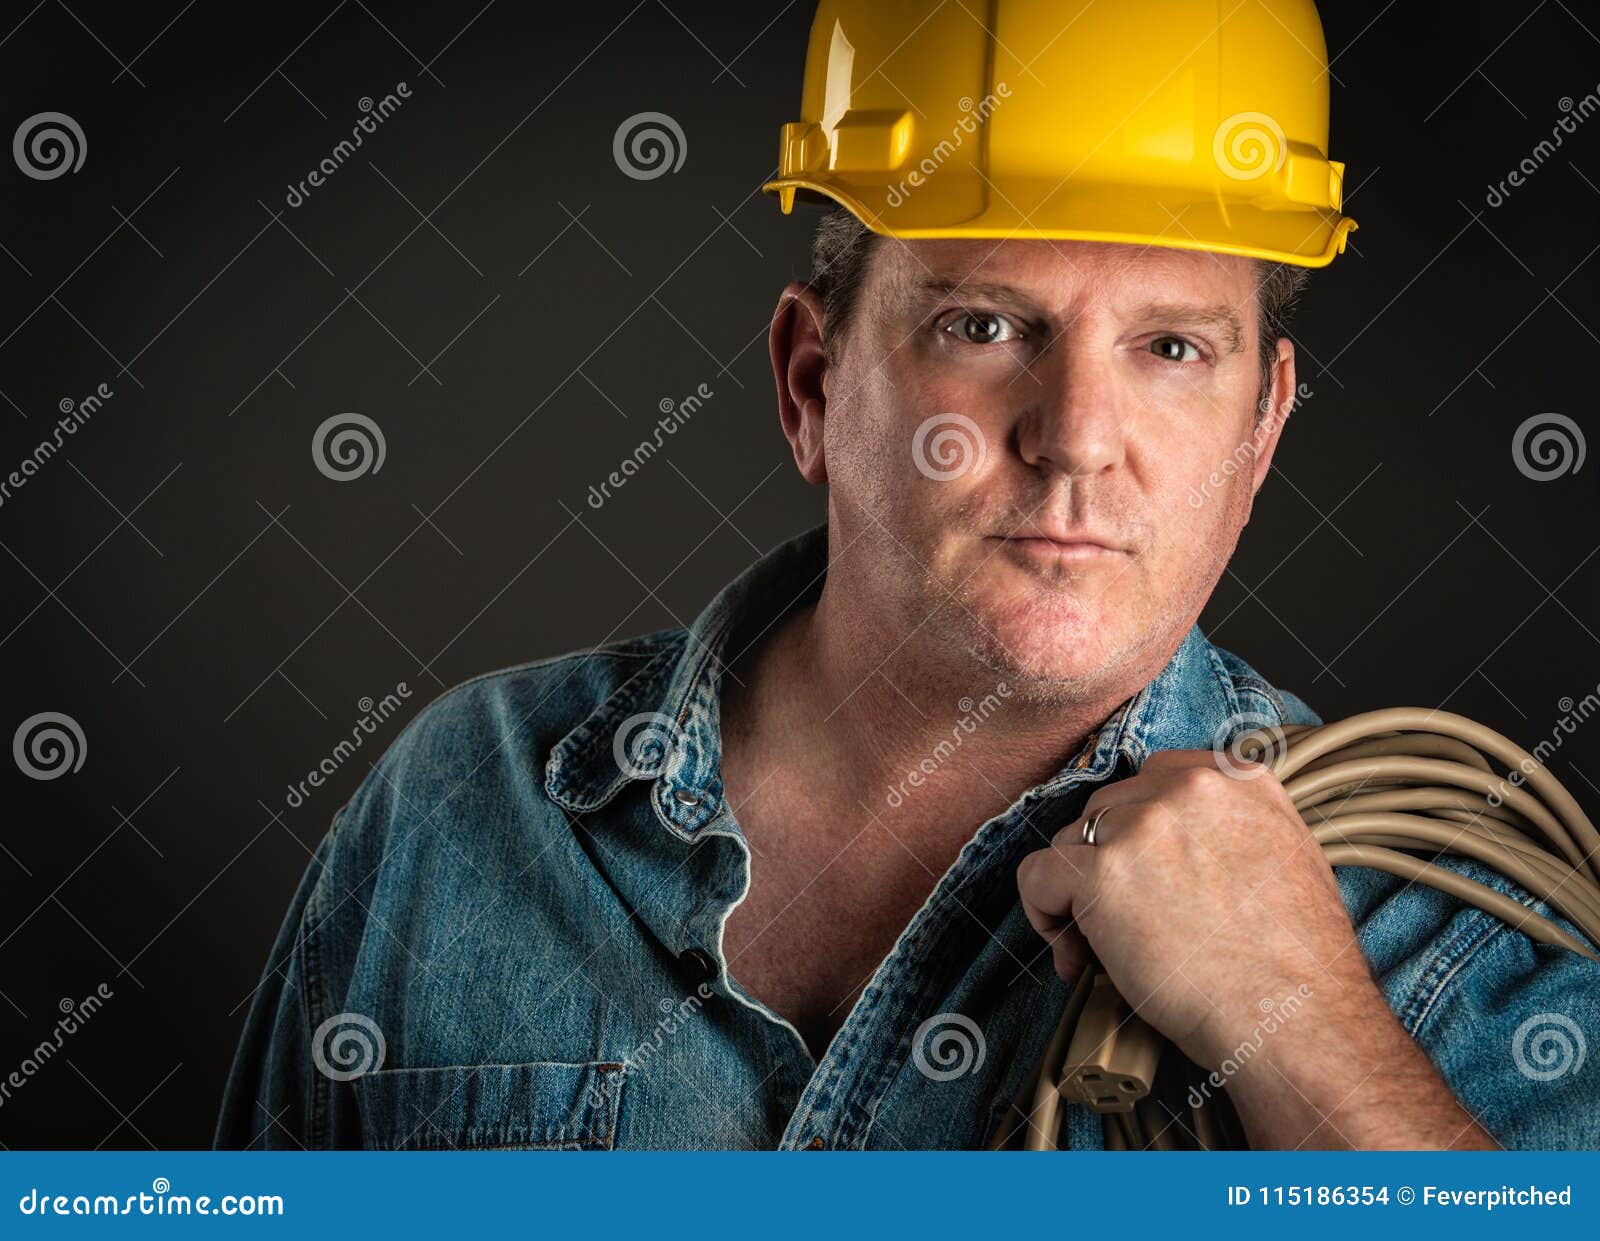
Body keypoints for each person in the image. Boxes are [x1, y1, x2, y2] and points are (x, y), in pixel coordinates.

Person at [216, 0, 1598, 1150]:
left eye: (1172, 348)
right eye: (987, 324)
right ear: (812, 382)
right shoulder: (467, 808)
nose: (1075, 440)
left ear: (1261, 430)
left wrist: (1302, 1024)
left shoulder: (1440, 934)